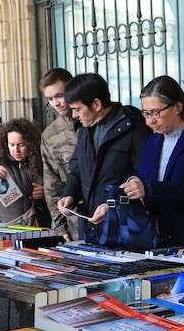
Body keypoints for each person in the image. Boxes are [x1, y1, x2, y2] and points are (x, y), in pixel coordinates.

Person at [120, 75, 184, 250]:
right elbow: (144, 178)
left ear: (178, 106)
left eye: (155, 112)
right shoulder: (151, 142)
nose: (150, 120)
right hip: (156, 240)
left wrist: (148, 189)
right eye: (146, 113)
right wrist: (133, 182)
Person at [58, 73, 149, 241]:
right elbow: (77, 170)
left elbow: (144, 181)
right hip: (91, 228)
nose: (74, 116)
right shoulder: (85, 129)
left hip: (125, 231)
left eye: (77, 109)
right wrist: (69, 194)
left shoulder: (135, 129)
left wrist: (112, 206)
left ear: (96, 104)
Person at [0, 118, 51, 228]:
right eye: (12, 145)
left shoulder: (42, 160)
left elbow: (60, 190)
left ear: (30, 144)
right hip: (5, 228)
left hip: (38, 225)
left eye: (21, 145)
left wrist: (46, 193)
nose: (16, 150)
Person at [39, 68, 79, 240]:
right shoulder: (50, 135)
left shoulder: (94, 122)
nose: (56, 103)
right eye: (50, 99)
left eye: (59, 95)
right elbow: (52, 186)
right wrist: (61, 228)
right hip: (75, 224)